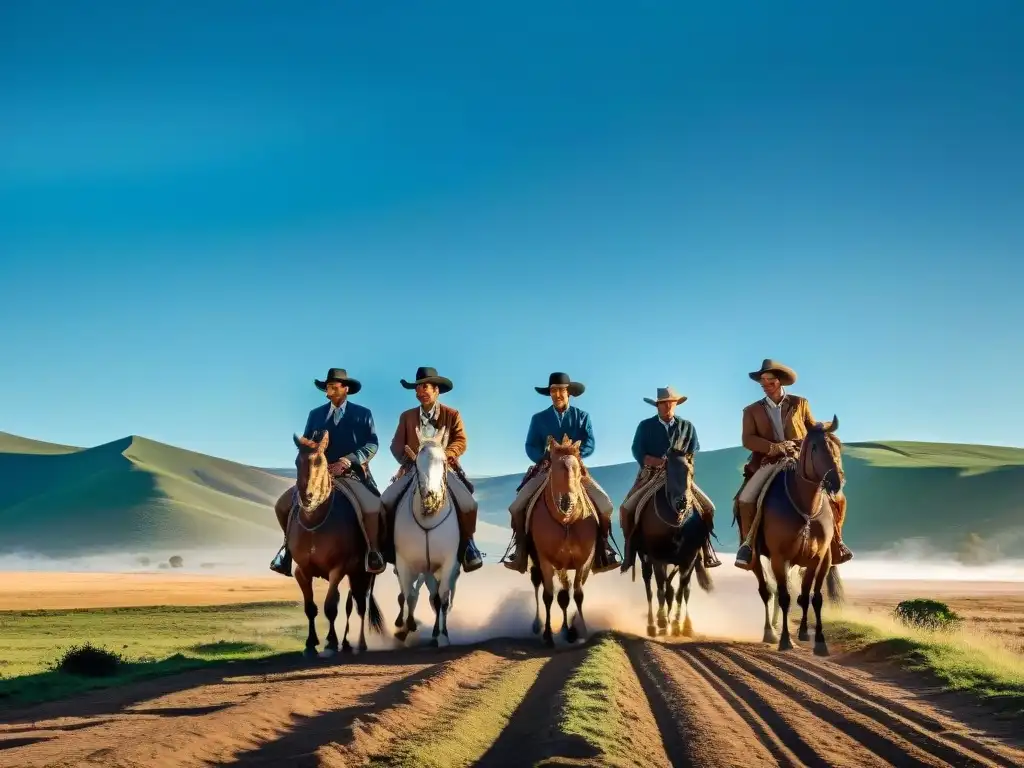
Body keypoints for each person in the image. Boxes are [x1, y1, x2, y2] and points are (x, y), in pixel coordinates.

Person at [733, 359, 854, 569]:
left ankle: (837, 542)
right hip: (769, 462)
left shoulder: (800, 403)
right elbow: (748, 440)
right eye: (762, 382)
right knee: (745, 500)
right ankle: (748, 545)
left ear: (780, 382)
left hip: (799, 460)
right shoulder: (751, 411)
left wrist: (824, 427)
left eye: (769, 381)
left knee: (838, 497)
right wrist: (775, 447)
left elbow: (811, 427)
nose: (765, 386)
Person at [270, 367, 385, 576]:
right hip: (318, 475)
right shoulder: (315, 415)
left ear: (345, 389)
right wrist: (309, 448)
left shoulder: (362, 414)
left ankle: (373, 551)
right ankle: (286, 550)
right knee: (282, 505)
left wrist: (348, 461)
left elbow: (372, 444)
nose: (328, 392)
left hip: (351, 473)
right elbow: (306, 445)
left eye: (333, 387)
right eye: (327, 388)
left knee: (373, 507)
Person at [502, 372, 621, 574]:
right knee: (517, 506)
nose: (557, 394)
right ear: (549, 394)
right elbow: (530, 445)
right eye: (553, 390)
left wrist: (574, 455)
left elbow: (590, 442)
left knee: (605, 504)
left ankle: (603, 548)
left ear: (569, 393)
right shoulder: (538, 419)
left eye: (561, 390)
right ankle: (520, 549)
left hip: (576, 472)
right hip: (546, 470)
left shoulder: (582, 417)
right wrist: (544, 458)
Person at [379, 366, 483, 572]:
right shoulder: (406, 417)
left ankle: (468, 545)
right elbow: (395, 445)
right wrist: (407, 459)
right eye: (417, 388)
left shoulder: (452, 414)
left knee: (469, 503)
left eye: (425, 387)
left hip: (444, 469)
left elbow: (461, 440)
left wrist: (447, 454)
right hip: (412, 469)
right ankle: (387, 547)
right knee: (386, 500)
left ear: (436, 390)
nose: (420, 392)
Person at [620, 386, 721, 572]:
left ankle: (707, 550)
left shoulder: (687, 426)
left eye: (671, 403)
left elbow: (693, 449)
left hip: (680, 477)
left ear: (676, 404)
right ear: (657, 406)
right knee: (626, 508)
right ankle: (629, 552)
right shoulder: (645, 426)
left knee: (708, 508)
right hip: (651, 474)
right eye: (663, 404)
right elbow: (637, 450)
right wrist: (654, 461)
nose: (667, 407)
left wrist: (683, 463)